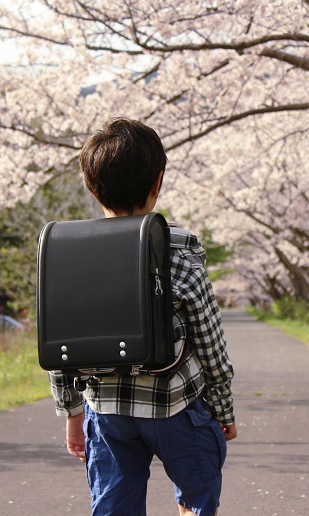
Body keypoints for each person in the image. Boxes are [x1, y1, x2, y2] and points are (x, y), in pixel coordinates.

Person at [48, 117, 237, 516]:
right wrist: (223, 408)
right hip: (177, 407)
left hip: (107, 411)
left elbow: (59, 346)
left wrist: (71, 413)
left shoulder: (69, 255)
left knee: (114, 506)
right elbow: (210, 344)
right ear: (158, 181)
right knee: (198, 495)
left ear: (90, 184)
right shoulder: (179, 253)